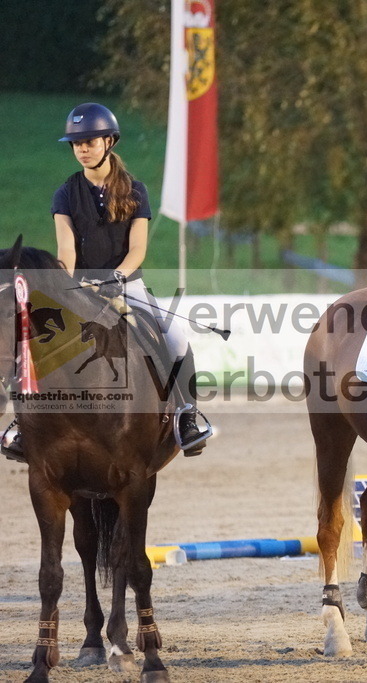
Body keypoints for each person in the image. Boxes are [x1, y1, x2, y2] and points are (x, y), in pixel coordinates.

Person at [2, 103, 211, 461]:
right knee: (35, 342)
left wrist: (116, 277)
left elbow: (138, 249)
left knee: (175, 337)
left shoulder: (135, 191)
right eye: (76, 143)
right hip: (79, 286)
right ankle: (25, 424)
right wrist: (67, 286)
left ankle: (186, 417)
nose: (82, 149)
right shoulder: (65, 194)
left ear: (109, 142)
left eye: (89, 142)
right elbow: (66, 249)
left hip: (126, 284)